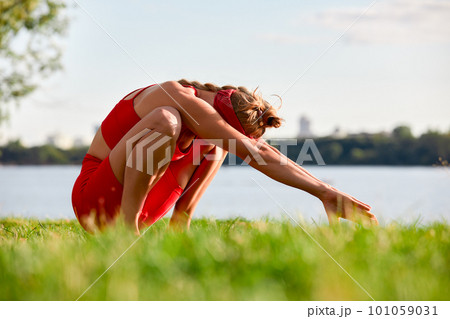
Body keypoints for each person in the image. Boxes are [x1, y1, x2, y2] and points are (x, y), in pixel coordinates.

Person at [72, 80, 377, 233]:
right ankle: (126, 237)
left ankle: (180, 230)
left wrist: (327, 192)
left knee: (212, 145)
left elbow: (263, 151)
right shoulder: (175, 94)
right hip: (94, 202)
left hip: (144, 207)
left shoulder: (208, 130)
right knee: (167, 120)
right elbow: (257, 153)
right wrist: (325, 191)